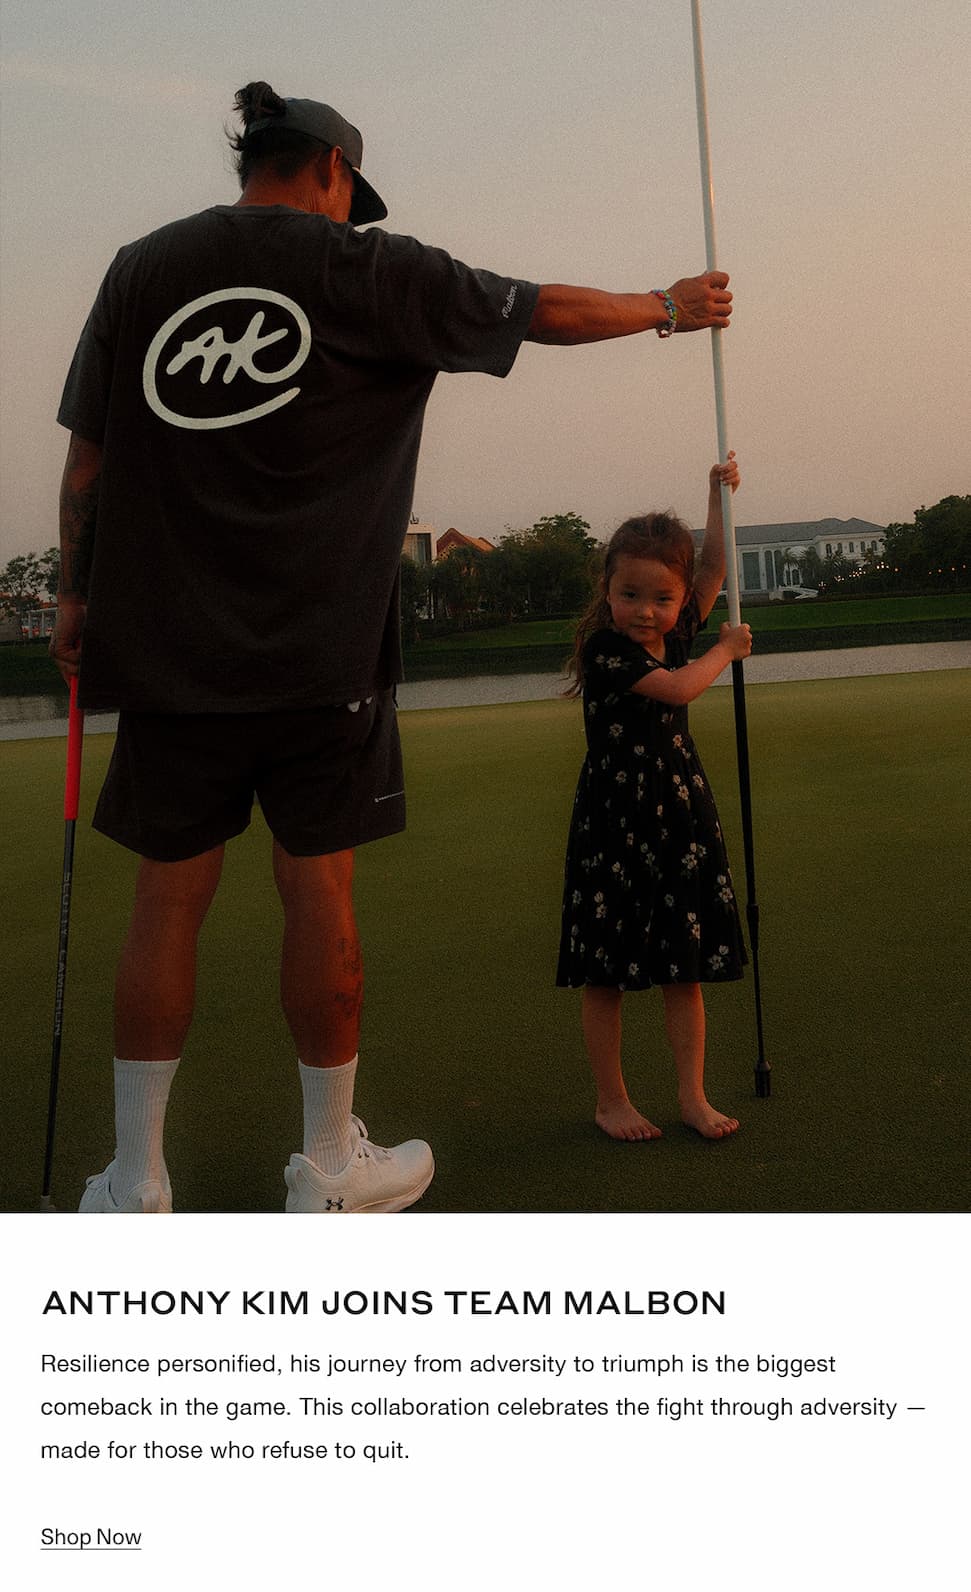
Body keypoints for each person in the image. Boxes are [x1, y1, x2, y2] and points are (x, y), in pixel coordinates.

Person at [51, 80, 734, 1214]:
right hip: (320, 661)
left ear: (252, 161)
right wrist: (664, 305)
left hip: (169, 652)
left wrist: (76, 602)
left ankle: (136, 1185)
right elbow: (543, 312)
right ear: (329, 171)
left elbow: (88, 464)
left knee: (165, 903)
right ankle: (327, 1168)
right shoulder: (365, 269)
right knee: (317, 892)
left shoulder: (141, 269)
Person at [556, 453, 751, 1143]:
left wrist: (713, 500)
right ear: (607, 589)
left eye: (660, 599)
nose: (645, 611)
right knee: (605, 973)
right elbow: (676, 689)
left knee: (683, 966)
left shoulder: (676, 629)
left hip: (676, 812)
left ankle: (691, 1097)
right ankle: (611, 1100)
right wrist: (724, 652)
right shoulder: (610, 652)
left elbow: (712, 571)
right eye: (630, 594)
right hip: (616, 818)